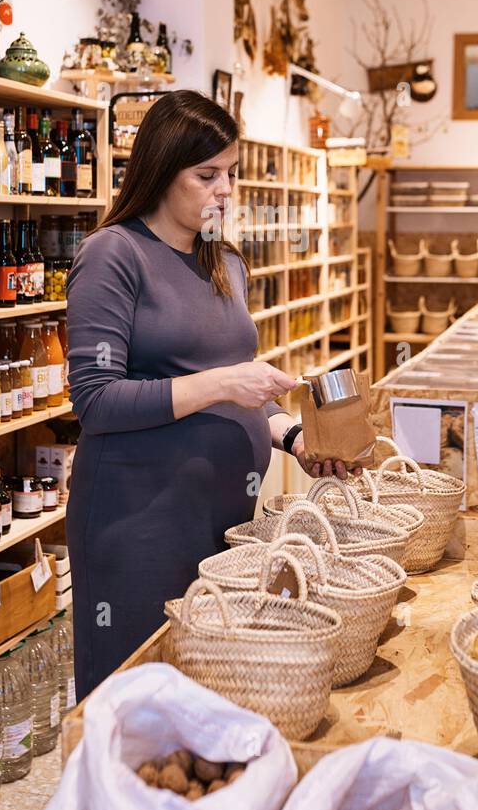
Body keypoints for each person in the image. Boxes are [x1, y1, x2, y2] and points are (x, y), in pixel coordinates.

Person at [65, 89, 358, 697]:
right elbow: (95, 401)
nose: (224, 189)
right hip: (140, 521)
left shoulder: (223, 260)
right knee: (138, 698)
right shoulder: (114, 256)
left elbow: (236, 384)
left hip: (224, 522)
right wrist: (226, 381)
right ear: (159, 170)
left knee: (204, 694)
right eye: (207, 175)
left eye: (230, 173)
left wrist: (294, 436)